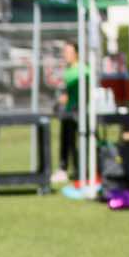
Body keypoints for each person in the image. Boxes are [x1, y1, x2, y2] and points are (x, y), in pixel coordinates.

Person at [54, 40, 84, 180]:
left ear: (76, 53)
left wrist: (66, 97)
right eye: (65, 52)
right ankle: (64, 168)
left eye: (69, 52)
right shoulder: (68, 70)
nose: (66, 55)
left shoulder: (82, 69)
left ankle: (79, 169)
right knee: (66, 139)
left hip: (78, 111)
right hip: (69, 111)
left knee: (76, 141)